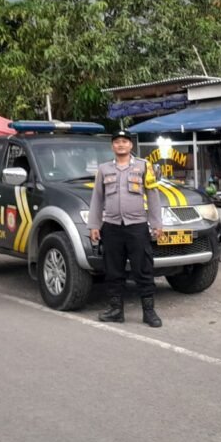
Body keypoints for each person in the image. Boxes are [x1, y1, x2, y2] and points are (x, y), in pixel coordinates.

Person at [88, 129, 164, 327]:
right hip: (112, 227)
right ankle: (115, 310)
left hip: (137, 226)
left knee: (143, 269)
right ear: (112, 146)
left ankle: (149, 312)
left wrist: (156, 223)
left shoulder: (143, 166)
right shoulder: (104, 169)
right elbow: (97, 198)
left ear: (131, 145)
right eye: (117, 142)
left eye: (124, 141)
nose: (121, 145)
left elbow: (153, 195)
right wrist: (95, 225)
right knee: (113, 271)